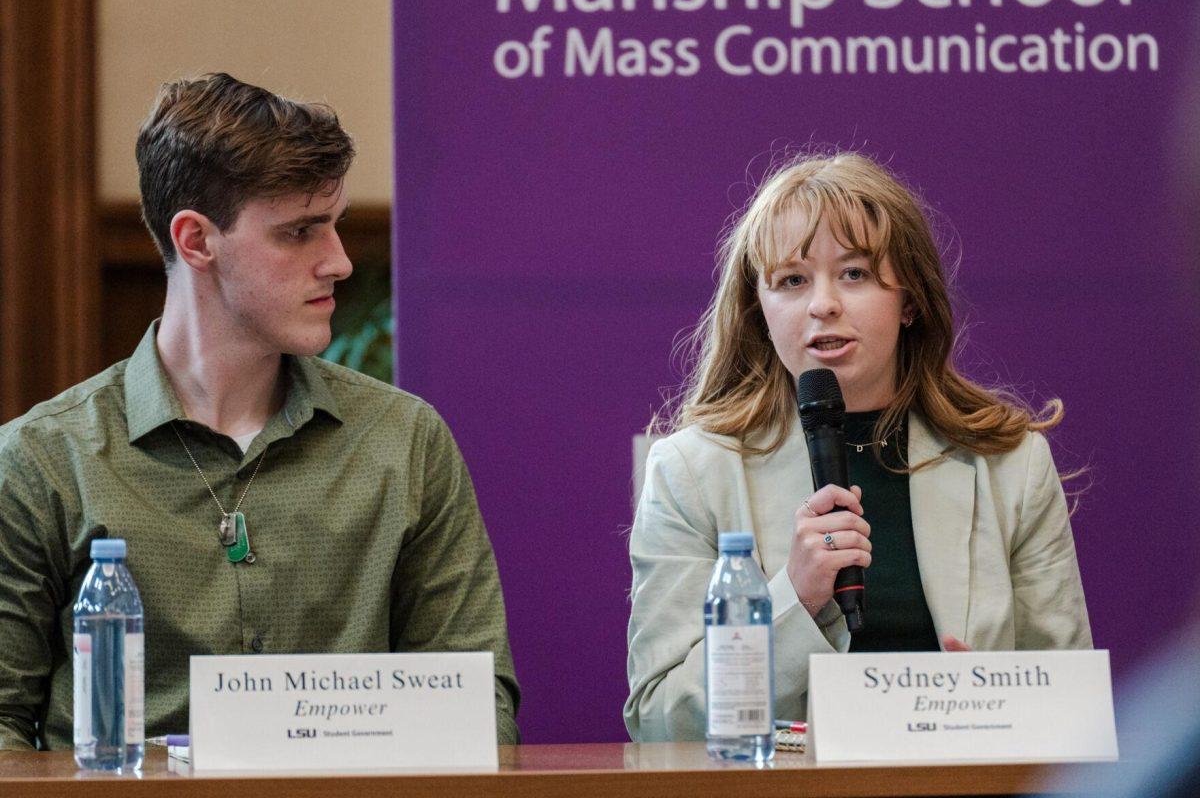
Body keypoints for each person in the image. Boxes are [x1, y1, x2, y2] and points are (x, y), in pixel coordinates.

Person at [0, 73, 519, 749]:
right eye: (300, 232)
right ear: (196, 241)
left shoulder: (403, 442)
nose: (338, 261)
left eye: (333, 225)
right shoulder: (44, 462)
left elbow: (477, 710)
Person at [624, 152, 1091, 742]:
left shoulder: (1010, 465)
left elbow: (1073, 710)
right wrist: (792, 597)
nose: (823, 304)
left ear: (911, 301)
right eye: (793, 281)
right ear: (759, 310)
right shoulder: (694, 471)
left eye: (855, 274)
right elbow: (659, 721)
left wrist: (992, 705)